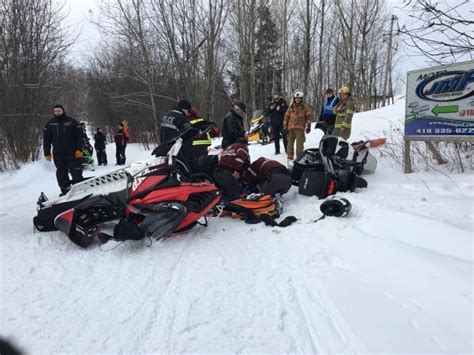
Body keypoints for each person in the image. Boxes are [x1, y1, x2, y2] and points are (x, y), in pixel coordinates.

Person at [43, 104, 84, 194]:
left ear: (63, 111)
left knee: (76, 171)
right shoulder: (50, 124)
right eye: (55, 111)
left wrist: (79, 149)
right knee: (61, 172)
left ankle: (79, 189)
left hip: (72, 152)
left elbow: (79, 137)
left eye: (59, 111)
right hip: (58, 153)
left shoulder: (71, 122)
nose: (57, 112)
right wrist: (47, 153)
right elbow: (46, 139)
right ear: (54, 112)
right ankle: (66, 190)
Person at [214, 138, 250, 202]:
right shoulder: (242, 147)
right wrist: (238, 171)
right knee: (234, 196)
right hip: (228, 174)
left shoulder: (229, 147)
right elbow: (240, 158)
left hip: (218, 173)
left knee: (224, 195)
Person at [283, 91, 312, 163]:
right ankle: (290, 158)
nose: (297, 100)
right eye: (296, 98)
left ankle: (299, 159)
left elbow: (309, 117)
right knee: (289, 144)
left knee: (299, 145)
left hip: (300, 129)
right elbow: (286, 117)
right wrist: (284, 126)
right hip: (291, 129)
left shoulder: (305, 107)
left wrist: (308, 126)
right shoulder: (291, 107)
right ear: (294, 99)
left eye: (299, 98)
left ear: (301, 99)